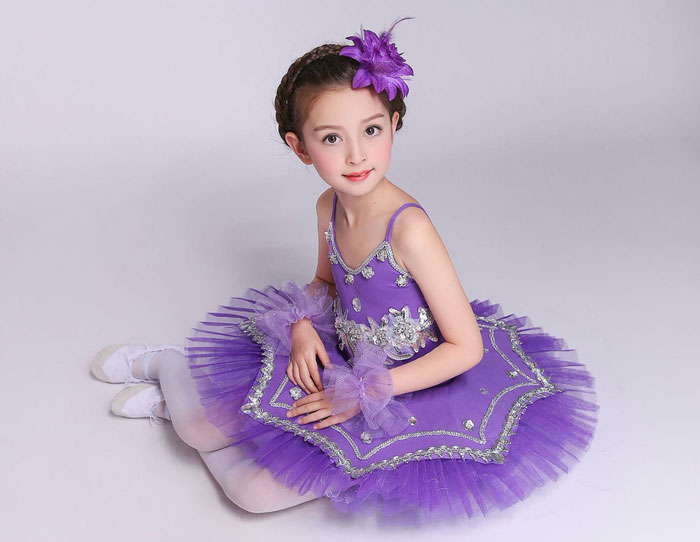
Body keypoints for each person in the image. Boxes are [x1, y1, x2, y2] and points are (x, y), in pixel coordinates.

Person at [90, 16, 598, 525]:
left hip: (414, 383)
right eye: (332, 138)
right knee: (199, 429)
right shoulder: (327, 206)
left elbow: (467, 348)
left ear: (393, 124)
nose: (356, 155)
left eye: (371, 130)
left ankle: (175, 406)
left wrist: (368, 392)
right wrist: (302, 325)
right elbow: (326, 283)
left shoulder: (410, 230)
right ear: (300, 148)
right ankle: (166, 365)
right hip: (342, 353)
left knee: (250, 494)